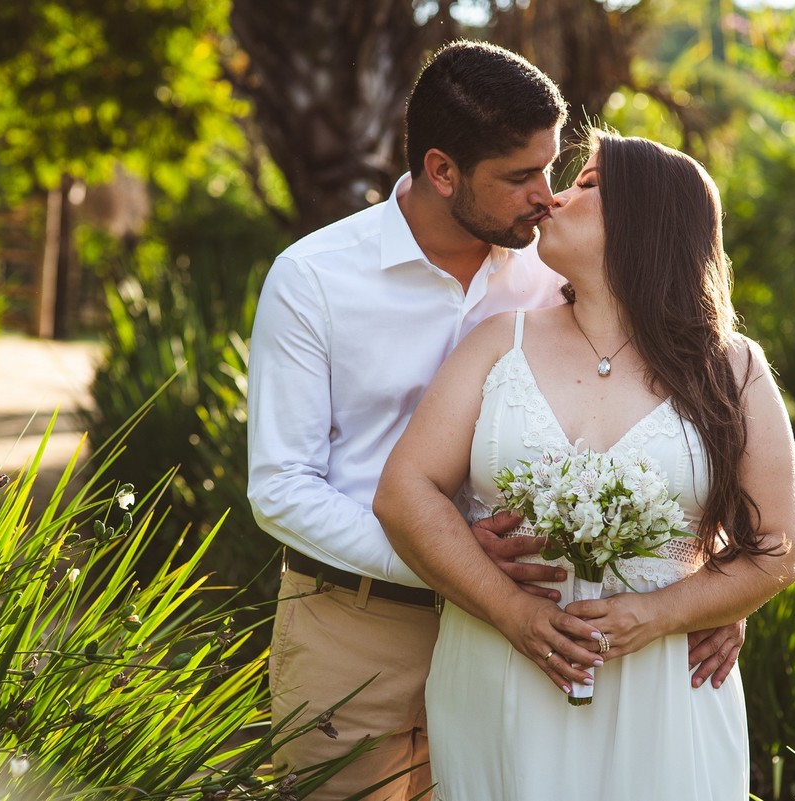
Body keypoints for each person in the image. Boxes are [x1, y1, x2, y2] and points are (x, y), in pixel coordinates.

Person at [247, 41, 745, 801]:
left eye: (551, 169)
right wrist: (449, 561)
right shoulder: (313, 280)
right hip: (358, 625)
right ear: (443, 171)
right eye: (520, 177)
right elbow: (281, 489)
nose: (545, 195)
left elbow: (663, 410)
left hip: (523, 640)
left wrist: (706, 583)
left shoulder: (563, 266)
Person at [374, 132, 795, 799]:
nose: (555, 194)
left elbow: (776, 548)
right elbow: (405, 492)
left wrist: (659, 613)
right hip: (499, 667)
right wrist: (514, 612)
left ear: (648, 220)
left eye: (589, 183)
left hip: (662, 683)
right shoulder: (499, 341)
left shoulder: (733, 369)